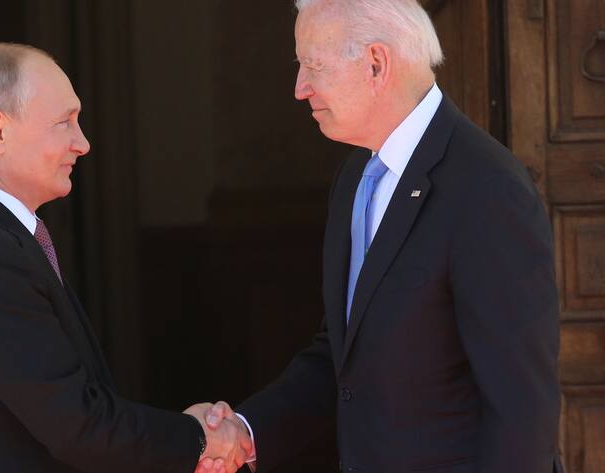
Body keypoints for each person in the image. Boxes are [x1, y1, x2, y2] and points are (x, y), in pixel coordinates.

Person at [196, 1, 562, 472]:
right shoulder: (355, 178)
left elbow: (521, 410)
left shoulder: (487, 189)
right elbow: (345, 356)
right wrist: (245, 432)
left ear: (376, 63)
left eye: (314, 66)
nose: (299, 88)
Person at [0, 43, 251, 473]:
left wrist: (189, 437)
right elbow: (78, 427)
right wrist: (196, 439)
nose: (82, 143)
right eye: (64, 122)